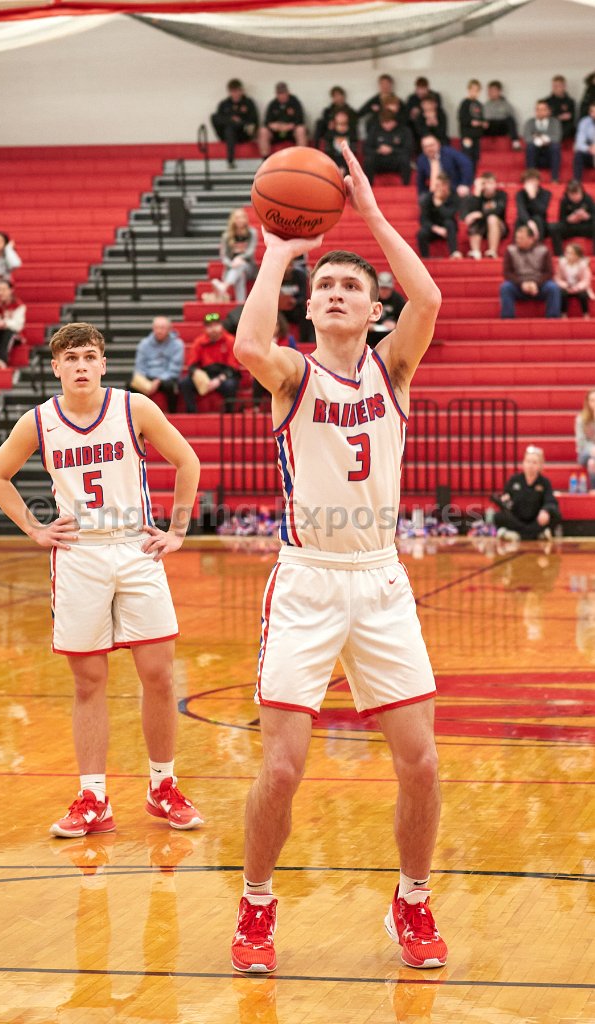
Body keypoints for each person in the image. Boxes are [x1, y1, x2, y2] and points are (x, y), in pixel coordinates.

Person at [230, 139, 447, 975]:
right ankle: (255, 904)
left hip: (380, 579)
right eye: (323, 286)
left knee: (421, 762)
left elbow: (426, 296)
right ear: (310, 307)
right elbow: (249, 346)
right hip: (307, 580)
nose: (333, 293)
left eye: (349, 286)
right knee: (282, 769)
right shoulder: (292, 375)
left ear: (371, 310)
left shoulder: (394, 369)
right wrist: (279, 250)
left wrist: (371, 215)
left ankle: (412, 900)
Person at [0, 321, 203, 837]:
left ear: (103, 364)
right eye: (71, 358)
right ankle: (94, 798)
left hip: (134, 546)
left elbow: (187, 460)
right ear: (56, 367)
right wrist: (35, 529)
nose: (80, 366)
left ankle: (163, 787)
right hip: (78, 553)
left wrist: (178, 530)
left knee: (158, 674)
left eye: (88, 357)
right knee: (88, 681)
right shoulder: (39, 421)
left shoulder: (134, 408)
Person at [494, 446, 560, 541]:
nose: (530, 465)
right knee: (499, 516)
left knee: (555, 515)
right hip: (517, 519)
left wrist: (545, 510)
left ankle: (517, 534)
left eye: (534, 462)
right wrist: (505, 499)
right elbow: (505, 499)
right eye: (528, 461)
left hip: (535, 520)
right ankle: (535, 534)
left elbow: (550, 501)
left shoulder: (544, 482)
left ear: (540, 465)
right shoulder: (514, 480)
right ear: (523, 463)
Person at [179, 311, 240, 413]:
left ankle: (229, 414)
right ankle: (191, 412)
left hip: (224, 375)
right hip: (205, 375)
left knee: (230, 385)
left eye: (216, 325)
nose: (213, 329)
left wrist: (219, 380)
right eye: (209, 326)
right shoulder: (199, 342)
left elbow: (233, 367)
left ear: (221, 326)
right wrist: (198, 375)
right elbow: (191, 365)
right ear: (205, 328)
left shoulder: (230, 341)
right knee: (185, 383)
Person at [499, 225, 561, 319]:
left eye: (521, 238)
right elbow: (507, 273)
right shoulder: (510, 250)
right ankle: (508, 319)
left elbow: (549, 273)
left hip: (539, 286)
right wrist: (522, 283)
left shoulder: (543, 250)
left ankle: (552, 318)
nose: (517, 240)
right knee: (505, 287)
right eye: (517, 238)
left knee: (553, 288)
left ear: (531, 239)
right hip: (518, 285)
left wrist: (536, 283)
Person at [130, 316, 185, 413]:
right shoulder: (144, 344)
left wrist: (159, 380)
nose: (159, 331)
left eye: (162, 328)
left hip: (167, 378)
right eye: (157, 328)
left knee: (170, 386)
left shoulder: (177, 344)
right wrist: (145, 382)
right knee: (131, 385)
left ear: (169, 329)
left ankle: (172, 414)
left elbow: (174, 369)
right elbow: (139, 367)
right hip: (148, 376)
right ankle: (136, 414)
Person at [211, 208, 258, 303]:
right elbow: (224, 257)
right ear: (233, 220)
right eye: (237, 218)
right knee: (240, 275)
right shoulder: (227, 236)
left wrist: (239, 258)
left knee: (241, 264)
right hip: (232, 268)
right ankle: (241, 304)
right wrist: (232, 264)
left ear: (246, 219)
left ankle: (224, 286)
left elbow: (250, 252)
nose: (240, 220)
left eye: (242, 217)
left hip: (249, 268)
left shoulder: (252, 233)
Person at [211, 78, 259, 169]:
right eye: (233, 92)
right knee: (225, 125)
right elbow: (217, 119)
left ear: (241, 91)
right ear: (229, 92)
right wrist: (231, 120)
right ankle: (230, 161)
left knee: (232, 128)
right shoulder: (224, 104)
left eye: (237, 91)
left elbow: (254, 121)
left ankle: (230, 160)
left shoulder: (248, 103)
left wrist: (240, 122)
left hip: (244, 133)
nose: (235, 94)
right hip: (227, 135)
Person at [251, 314, 296, 409]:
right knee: (257, 379)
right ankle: (256, 407)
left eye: (275, 324)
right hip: (265, 371)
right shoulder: (260, 340)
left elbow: (295, 357)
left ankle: (287, 408)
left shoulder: (288, 339)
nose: (272, 327)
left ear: (280, 326)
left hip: (283, 372)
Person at [463, 172, 508, 260]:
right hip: (482, 227)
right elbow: (470, 212)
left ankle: (492, 251)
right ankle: (475, 251)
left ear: (495, 184)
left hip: (499, 227)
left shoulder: (501, 195)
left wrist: (480, 214)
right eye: (486, 183)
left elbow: (498, 211)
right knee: (475, 220)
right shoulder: (477, 196)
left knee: (492, 218)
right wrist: (477, 193)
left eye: (491, 183)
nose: (489, 186)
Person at [258, 82, 308, 159]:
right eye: (279, 93)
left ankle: (302, 158)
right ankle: (265, 159)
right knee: (263, 131)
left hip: (291, 132)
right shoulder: (273, 104)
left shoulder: (295, 102)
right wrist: (275, 126)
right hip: (276, 133)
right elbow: (267, 122)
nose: (281, 96)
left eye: (283, 93)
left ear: (288, 92)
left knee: (301, 129)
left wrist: (288, 126)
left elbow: (300, 120)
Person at [417, 173, 461, 259]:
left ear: (446, 186)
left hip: (448, 229)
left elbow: (449, 215)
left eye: (440, 186)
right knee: (421, 233)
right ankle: (425, 258)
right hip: (433, 228)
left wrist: (439, 205)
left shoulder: (453, 197)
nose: (438, 188)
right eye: (437, 185)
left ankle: (454, 252)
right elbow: (423, 219)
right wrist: (436, 228)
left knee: (450, 223)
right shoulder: (428, 198)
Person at [0, 279, 26, 368]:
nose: (0, 293)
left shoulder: (18, 305)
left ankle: (2, 359)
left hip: (13, 334)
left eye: (3, 290)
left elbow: (18, 325)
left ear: (11, 290)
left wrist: (5, 323)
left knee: (8, 333)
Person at [364, 111, 413, 186]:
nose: (387, 125)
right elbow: (366, 149)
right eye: (384, 123)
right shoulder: (375, 130)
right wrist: (378, 151)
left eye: (389, 122)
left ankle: (406, 186)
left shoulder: (404, 131)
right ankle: (368, 186)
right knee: (368, 160)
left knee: (405, 159)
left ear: (395, 121)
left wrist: (392, 150)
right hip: (379, 160)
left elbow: (408, 149)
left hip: (396, 160)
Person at [547, 179, 595, 256]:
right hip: (570, 227)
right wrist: (569, 219)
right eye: (572, 195)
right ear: (568, 194)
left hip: (585, 226)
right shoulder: (564, 201)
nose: (575, 197)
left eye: (577, 194)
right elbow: (561, 219)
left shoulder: (587, 199)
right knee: (553, 228)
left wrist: (587, 217)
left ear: (582, 192)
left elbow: (593, 215)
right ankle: (560, 255)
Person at [523, 99, 562, 183]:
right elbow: (527, 137)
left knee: (555, 146)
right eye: (538, 109)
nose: (540, 112)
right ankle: (531, 178)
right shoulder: (530, 122)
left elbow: (557, 137)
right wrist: (539, 141)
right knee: (530, 147)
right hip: (535, 154)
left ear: (548, 111)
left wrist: (543, 139)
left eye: (543, 109)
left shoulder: (555, 122)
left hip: (549, 153)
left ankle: (555, 178)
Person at [555, 242, 593, 317]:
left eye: (570, 253)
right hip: (567, 287)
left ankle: (586, 314)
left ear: (577, 255)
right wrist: (565, 285)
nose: (567, 255)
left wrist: (577, 287)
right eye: (567, 252)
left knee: (583, 295)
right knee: (562, 294)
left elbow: (586, 280)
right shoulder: (562, 264)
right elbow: (557, 278)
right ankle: (563, 314)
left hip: (579, 288)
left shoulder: (583, 265)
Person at [369, 270, 406, 346]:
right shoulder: (370, 298)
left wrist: (396, 325)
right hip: (371, 336)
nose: (384, 291)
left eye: (387, 288)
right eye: (382, 288)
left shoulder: (398, 300)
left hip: (391, 337)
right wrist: (366, 324)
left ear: (391, 288)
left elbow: (406, 320)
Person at [458, 79, 487, 169]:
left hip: (476, 135)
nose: (475, 92)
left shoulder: (479, 104)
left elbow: (481, 117)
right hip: (467, 135)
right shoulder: (465, 103)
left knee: (475, 157)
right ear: (469, 90)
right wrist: (471, 122)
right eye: (473, 90)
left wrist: (483, 123)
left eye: (477, 90)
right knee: (467, 156)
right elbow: (462, 118)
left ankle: (473, 174)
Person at [514, 170, 552, 240]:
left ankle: (539, 244)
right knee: (518, 221)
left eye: (532, 181)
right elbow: (521, 211)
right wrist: (529, 222)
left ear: (538, 181)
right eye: (528, 181)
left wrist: (532, 197)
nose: (530, 184)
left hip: (541, 222)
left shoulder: (546, 193)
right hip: (525, 220)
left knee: (537, 219)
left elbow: (541, 211)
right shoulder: (520, 194)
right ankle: (516, 244)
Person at [483, 80, 521, 147]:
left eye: (493, 91)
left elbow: (513, 119)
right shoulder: (485, 105)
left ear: (499, 91)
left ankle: (515, 142)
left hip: (501, 128)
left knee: (510, 119)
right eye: (489, 91)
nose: (490, 93)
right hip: (490, 128)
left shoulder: (506, 105)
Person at [322, 109, 358, 173]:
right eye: (339, 124)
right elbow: (328, 153)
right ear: (334, 124)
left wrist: (344, 167)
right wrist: (336, 166)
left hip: (348, 164)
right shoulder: (330, 135)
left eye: (344, 124)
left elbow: (353, 153)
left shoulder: (352, 134)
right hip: (333, 163)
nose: (342, 127)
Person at [575, 389, 595, 488]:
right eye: (592, 400)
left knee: (592, 462)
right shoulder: (581, 419)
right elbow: (581, 442)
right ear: (588, 402)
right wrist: (592, 449)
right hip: (585, 453)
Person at [546, 75, 576, 141]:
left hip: (565, 129)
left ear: (564, 86)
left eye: (558, 86)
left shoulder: (570, 101)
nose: (555, 88)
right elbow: (546, 117)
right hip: (551, 128)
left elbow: (571, 117)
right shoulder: (547, 101)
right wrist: (559, 117)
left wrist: (557, 117)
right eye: (554, 86)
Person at [573, 102, 595, 182]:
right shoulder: (584, 122)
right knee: (578, 154)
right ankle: (577, 182)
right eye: (592, 111)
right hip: (589, 152)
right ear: (589, 112)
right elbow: (579, 143)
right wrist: (589, 148)